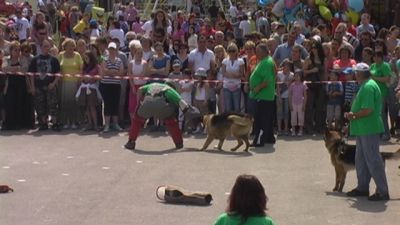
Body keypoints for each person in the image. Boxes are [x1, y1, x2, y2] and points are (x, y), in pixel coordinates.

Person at [345, 63, 390, 201]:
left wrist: (353, 116)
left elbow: (368, 110)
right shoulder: (366, 85)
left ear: (359, 74)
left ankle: (382, 191)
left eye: (355, 73)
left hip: (368, 128)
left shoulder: (368, 87)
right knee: (361, 159)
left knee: (373, 159)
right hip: (363, 129)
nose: (354, 75)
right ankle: (362, 187)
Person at [124, 82, 193, 150]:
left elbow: (139, 89)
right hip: (162, 106)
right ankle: (179, 143)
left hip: (147, 103)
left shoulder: (152, 85)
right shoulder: (170, 89)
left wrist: (139, 103)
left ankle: (131, 142)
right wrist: (189, 112)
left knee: (137, 120)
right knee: (171, 121)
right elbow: (181, 101)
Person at [28, 39, 61, 131]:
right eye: (44, 46)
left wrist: (53, 84)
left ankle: (55, 123)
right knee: (40, 106)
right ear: (41, 47)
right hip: (39, 86)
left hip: (50, 86)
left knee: (53, 105)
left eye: (48, 46)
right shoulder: (35, 59)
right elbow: (31, 74)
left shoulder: (54, 59)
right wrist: (33, 87)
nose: (46, 48)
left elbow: (58, 73)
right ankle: (43, 123)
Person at [249, 43, 276, 146]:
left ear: (264, 51)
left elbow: (267, 80)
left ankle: (259, 140)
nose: (256, 53)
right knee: (267, 118)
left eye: (258, 51)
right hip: (264, 95)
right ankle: (269, 137)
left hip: (263, 95)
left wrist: (257, 88)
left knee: (261, 119)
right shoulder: (266, 61)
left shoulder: (266, 62)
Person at [99, 42, 124, 132]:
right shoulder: (105, 59)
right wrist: (113, 72)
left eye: (113, 49)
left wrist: (110, 72)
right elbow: (104, 70)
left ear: (116, 49)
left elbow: (121, 72)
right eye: (110, 49)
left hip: (116, 85)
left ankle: (115, 124)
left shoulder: (119, 60)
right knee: (107, 104)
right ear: (108, 49)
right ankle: (107, 125)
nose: (112, 51)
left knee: (115, 104)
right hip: (106, 84)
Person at [288, 70, 307, 136]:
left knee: (301, 117)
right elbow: (290, 95)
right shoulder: (292, 85)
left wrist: (304, 105)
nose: (297, 77)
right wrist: (290, 104)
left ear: (301, 77)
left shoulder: (303, 85)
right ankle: (293, 130)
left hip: (301, 103)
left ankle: (300, 130)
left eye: (298, 76)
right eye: (295, 76)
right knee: (293, 117)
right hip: (293, 103)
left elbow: (305, 95)